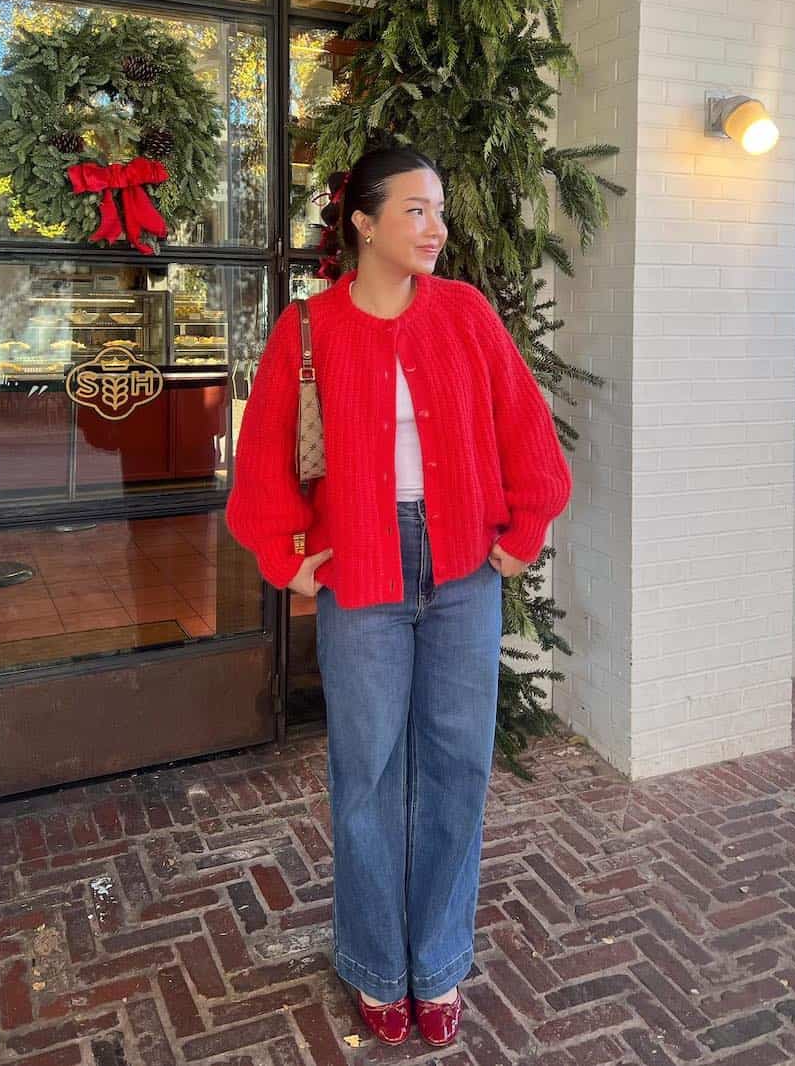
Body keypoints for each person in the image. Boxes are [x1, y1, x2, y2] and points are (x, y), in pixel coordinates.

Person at [226, 145, 572, 1047]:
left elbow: (526, 429)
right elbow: (263, 455)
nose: (436, 227)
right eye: (415, 210)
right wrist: (286, 553)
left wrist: (521, 533)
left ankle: (441, 961)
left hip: (461, 571)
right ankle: (380, 966)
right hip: (363, 573)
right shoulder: (308, 328)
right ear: (365, 224)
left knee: (458, 767)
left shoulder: (463, 314)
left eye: (440, 210)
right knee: (368, 773)